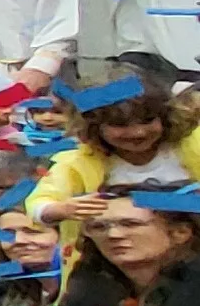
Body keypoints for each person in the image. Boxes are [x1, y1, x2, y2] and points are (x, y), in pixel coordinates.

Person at [50, 190, 200, 306]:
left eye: (131, 224)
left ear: (181, 232)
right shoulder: (87, 286)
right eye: (98, 227)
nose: (113, 235)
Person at [26, 90, 200, 238]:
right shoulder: (78, 161)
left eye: (147, 120)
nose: (137, 132)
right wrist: (61, 209)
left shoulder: (192, 144)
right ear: (94, 127)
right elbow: (39, 203)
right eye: (120, 125)